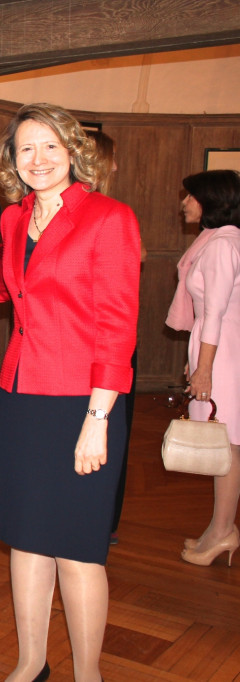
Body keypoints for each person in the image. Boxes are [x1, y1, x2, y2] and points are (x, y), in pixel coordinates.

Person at [0, 103, 141, 682]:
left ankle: (88, 672)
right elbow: (4, 289)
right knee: (26, 541)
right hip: (23, 395)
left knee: (77, 548)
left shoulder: (109, 217)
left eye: (50, 146)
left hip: (85, 402)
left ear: (73, 151)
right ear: (12, 160)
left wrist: (98, 417)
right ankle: (31, 662)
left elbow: (117, 326)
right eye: (26, 148)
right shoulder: (11, 221)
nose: (38, 159)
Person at [166, 169, 240, 566]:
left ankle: (224, 530)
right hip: (220, 349)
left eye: (191, 197)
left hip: (225, 353)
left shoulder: (222, 245)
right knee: (225, 446)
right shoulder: (217, 241)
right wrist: (197, 359)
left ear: (212, 201)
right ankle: (219, 528)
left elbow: (214, 313)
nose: (184, 203)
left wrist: (205, 368)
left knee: (226, 447)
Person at [85, 129, 141, 545]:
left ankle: (102, 520)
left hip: (111, 356)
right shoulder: (104, 214)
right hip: (94, 354)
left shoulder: (114, 216)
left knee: (107, 439)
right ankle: (101, 521)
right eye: (113, 159)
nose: (118, 167)